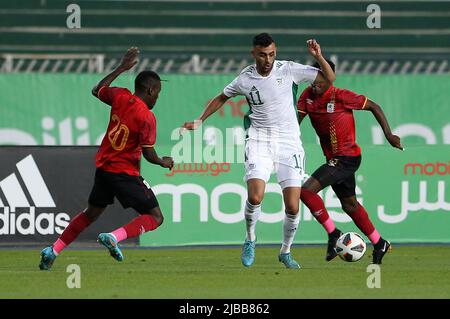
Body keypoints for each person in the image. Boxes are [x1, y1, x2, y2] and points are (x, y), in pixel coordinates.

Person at [182, 33, 335, 268]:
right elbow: (222, 97)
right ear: (254, 53)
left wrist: (319, 56)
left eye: (272, 54)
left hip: (289, 142)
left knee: (293, 205)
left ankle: (285, 251)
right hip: (259, 140)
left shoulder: (289, 69)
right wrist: (200, 120)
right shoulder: (245, 78)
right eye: (263, 55)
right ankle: (251, 239)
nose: (268, 59)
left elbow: (329, 79)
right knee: (255, 196)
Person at [39, 47, 174, 270]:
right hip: (124, 172)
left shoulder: (120, 95)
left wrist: (122, 67)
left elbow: (97, 89)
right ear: (150, 90)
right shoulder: (147, 117)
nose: (157, 97)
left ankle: (53, 250)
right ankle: (114, 236)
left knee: (90, 213)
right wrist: (163, 161)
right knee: (155, 217)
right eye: (157, 93)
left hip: (104, 169)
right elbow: (149, 154)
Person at [297, 59, 403, 264]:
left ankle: (333, 233)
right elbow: (295, 123)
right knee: (350, 205)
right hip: (334, 159)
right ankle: (379, 242)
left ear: (330, 78)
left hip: (347, 157)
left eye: (321, 78)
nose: (315, 83)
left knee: (306, 191)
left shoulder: (341, 96)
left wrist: (389, 135)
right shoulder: (307, 97)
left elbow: (374, 106)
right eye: (313, 78)